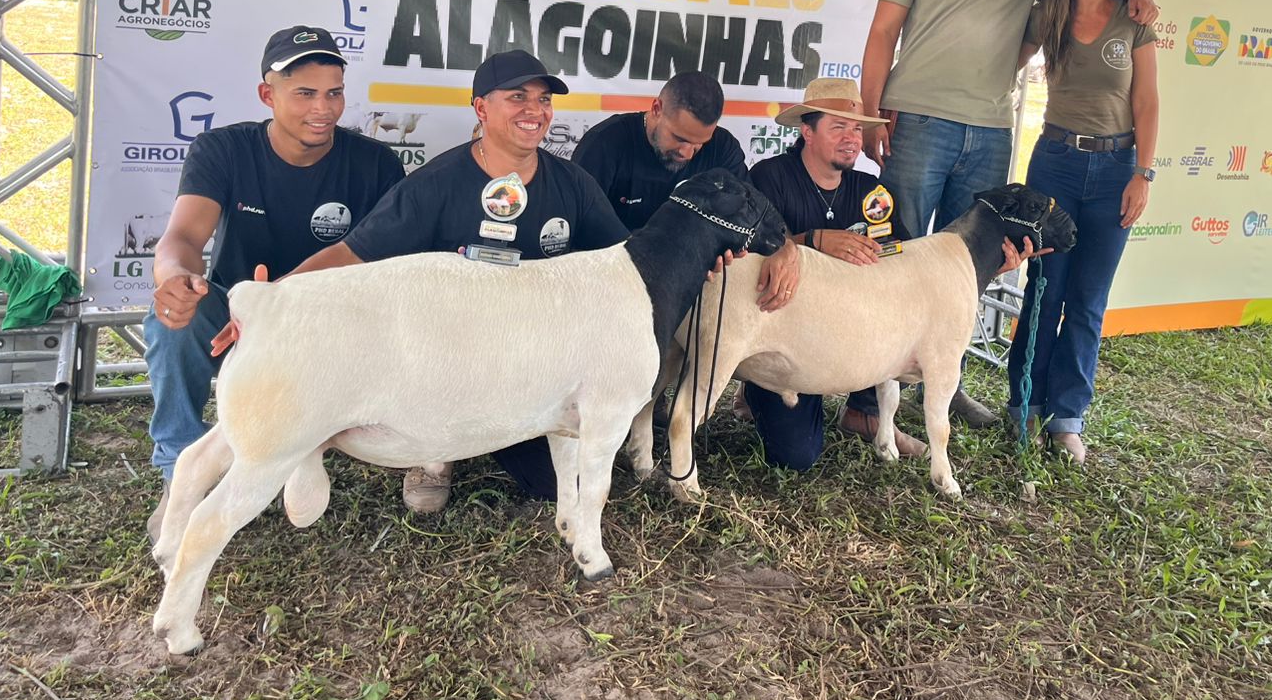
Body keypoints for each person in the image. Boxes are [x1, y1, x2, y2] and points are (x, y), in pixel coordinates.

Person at [859, 0, 1158, 426]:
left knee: (969, 266)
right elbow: (883, 31)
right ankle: (868, 398)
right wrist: (870, 114)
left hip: (992, 129)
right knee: (896, 254)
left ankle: (944, 387)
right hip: (917, 120)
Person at [290, 48, 629, 513]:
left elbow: (622, 260)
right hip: (444, 363)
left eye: (544, 99)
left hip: (531, 365)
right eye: (518, 97)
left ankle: (494, 433)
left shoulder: (573, 183)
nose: (535, 110)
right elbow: (351, 253)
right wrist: (274, 299)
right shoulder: (434, 184)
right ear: (481, 108)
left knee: (553, 484)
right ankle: (435, 455)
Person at [146, 26, 405, 541]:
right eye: (305, 93)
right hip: (240, 315)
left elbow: (389, 267)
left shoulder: (376, 163)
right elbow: (183, 237)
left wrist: (288, 297)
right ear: (268, 94)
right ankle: (182, 473)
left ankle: (378, 452)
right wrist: (174, 277)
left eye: (334, 93)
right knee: (174, 319)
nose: (323, 108)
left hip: (336, 322)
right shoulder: (224, 149)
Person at [1010, 0, 1160, 463]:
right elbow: (1002, 60)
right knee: (1044, 292)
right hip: (1055, 164)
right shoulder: (1045, 14)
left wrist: (1143, 173)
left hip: (1117, 170)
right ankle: (1025, 407)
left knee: (1089, 300)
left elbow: (1146, 102)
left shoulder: (1134, 17)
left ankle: (1067, 418)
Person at [743, 79, 929, 465]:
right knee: (796, 457)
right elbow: (750, 250)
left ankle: (865, 410)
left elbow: (904, 253)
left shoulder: (869, 189)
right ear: (807, 132)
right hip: (784, 341)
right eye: (838, 127)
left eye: (857, 129)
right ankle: (752, 385)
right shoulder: (769, 176)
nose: (851, 139)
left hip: (848, 332)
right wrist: (813, 241)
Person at [572, 70, 803, 311]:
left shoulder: (722, 148)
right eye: (679, 138)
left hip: (688, 298)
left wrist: (785, 247)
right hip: (609, 291)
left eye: (699, 144)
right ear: (657, 109)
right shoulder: (604, 144)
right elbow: (582, 234)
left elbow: (751, 215)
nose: (687, 153)